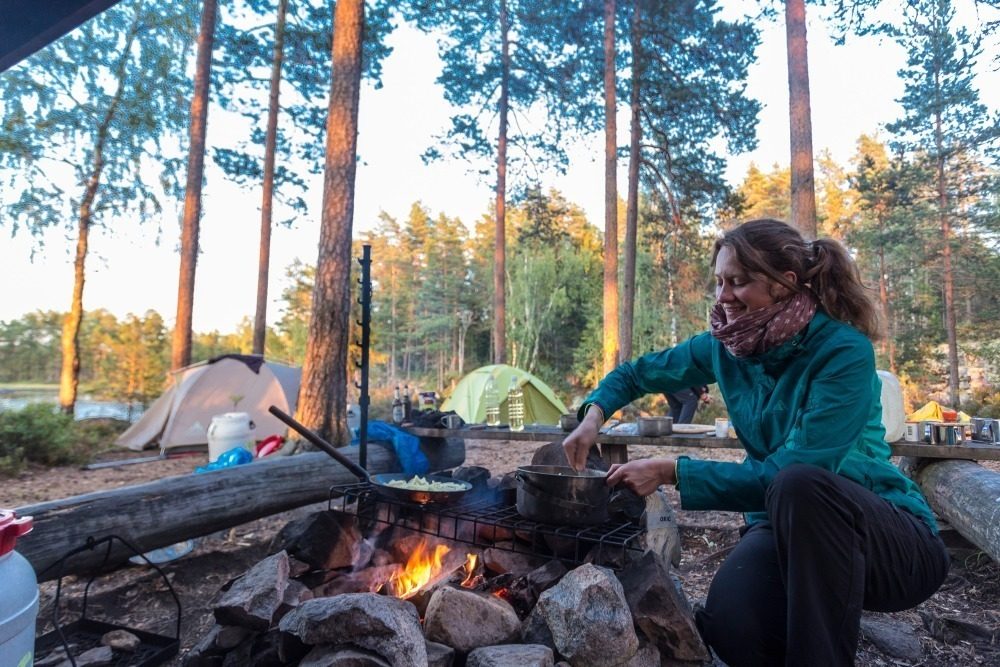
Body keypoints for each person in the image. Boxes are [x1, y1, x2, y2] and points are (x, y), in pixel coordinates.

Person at [563, 219, 948, 666]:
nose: (723, 296)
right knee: (732, 630)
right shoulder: (726, 347)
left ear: (785, 283)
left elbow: (798, 472)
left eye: (738, 282)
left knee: (800, 484)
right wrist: (593, 415)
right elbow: (637, 373)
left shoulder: (842, 351)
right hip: (782, 527)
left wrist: (673, 470)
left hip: (887, 541)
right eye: (720, 282)